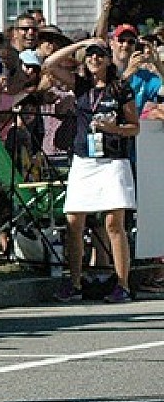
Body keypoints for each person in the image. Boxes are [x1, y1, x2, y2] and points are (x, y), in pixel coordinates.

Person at [42, 38, 139, 304]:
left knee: (113, 223)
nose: (94, 59)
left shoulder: (120, 88)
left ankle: (123, 284)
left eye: (99, 55)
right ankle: (74, 283)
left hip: (113, 160)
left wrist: (113, 128)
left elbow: (135, 127)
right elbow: (49, 64)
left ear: (108, 60)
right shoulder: (81, 85)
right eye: (90, 55)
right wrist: (82, 44)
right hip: (84, 160)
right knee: (74, 221)